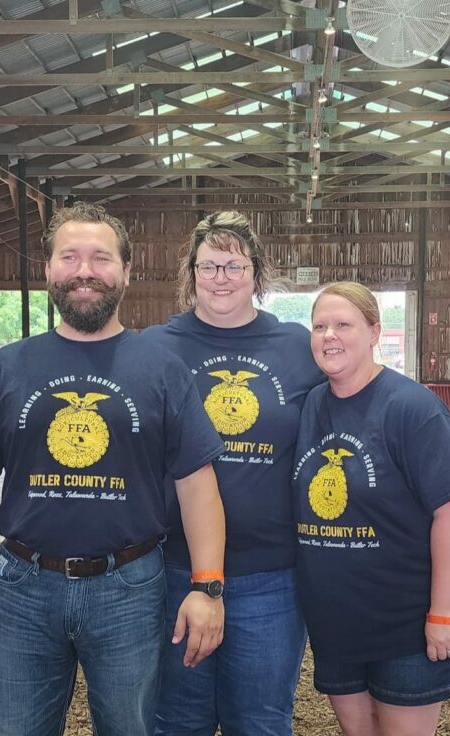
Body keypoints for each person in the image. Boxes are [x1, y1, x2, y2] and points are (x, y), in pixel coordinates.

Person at [0, 202, 227, 736]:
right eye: (70, 257)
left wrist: (207, 586)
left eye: (101, 258)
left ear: (126, 271)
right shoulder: (6, 367)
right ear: (48, 270)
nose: (85, 271)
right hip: (23, 587)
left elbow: (198, 485)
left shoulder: (162, 369)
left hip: (129, 586)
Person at [145, 211, 325, 735]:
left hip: (270, 574)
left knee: (262, 722)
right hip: (175, 568)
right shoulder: (157, 347)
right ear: (191, 273)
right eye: (209, 266)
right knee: (176, 720)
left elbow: (350, 404)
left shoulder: (295, 347)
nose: (220, 278)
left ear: (256, 273)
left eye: (233, 266)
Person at [293, 282, 450, 736]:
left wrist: (444, 614)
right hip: (337, 622)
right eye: (319, 326)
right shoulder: (313, 405)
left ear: (374, 332)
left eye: (343, 325)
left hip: (405, 623)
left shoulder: (413, 409)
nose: (329, 335)